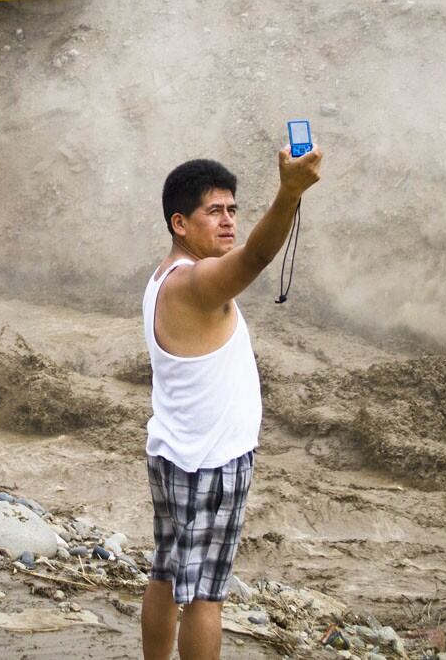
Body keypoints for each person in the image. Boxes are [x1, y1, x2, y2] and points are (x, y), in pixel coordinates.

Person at [140, 149, 322, 660]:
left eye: (233, 210)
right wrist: (289, 193)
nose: (228, 222)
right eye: (214, 211)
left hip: (174, 452)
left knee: (166, 572)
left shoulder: (165, 276)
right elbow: (256, 257)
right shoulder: (195, 283)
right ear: (179, 223)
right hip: (211, 464)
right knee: (205, 596)